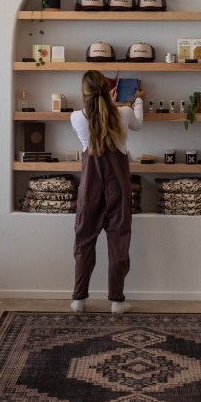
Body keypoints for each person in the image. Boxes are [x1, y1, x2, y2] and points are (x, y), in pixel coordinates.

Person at [69, 70, 144, 314]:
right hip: (117, 188)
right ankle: (117, 301)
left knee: (84, 241)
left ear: (84, 93)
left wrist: (108, 104)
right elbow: (138, 124)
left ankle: (78, 299)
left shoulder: (76, 118)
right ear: (107, 89)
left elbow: (97, 119)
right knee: (119, 241)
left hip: (90, 189)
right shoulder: (123, 113)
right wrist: (138, 100)